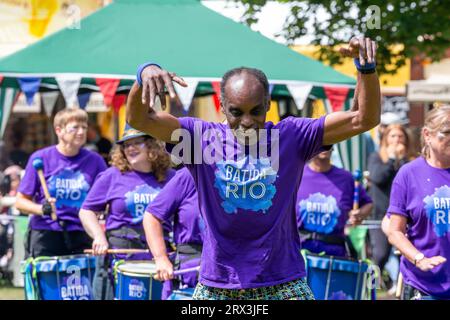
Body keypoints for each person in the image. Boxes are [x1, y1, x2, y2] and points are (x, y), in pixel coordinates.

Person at [126, 36, 380, 300]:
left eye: (256, 111)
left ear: (269, 104)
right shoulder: (199, 139)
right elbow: (138, 118)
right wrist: (144, 73)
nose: (247, 122)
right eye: (236, 112)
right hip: (218, 284)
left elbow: (365, 118)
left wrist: (366, 68)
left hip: (283, 282)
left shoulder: (291, 137)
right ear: (222, 106)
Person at [79, 124, 175, 299]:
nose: (130, 148)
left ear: (152, 145)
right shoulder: (112, 176)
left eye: (137, 143)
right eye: (126, 145)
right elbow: (86, 211)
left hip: (159, 259)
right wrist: (98, 236)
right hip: (119, 258)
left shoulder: (172, 177)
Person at [15, 108, 107, 258]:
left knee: (80, 281)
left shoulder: (95, 161)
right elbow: (20, 202)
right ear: (59, 130)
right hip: (47, 231)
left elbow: (105, 197)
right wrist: (42, 209)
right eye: (75, 127)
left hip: (82, 231)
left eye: (84, 127)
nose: (81, 132)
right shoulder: (41, 158)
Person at [385, 105, 450, 300]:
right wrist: (419, 259)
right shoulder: (409, 174)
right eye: (446, 132)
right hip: (423, 286)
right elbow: (395, 231)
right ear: (427, 135)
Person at [297, 149, 373, 257]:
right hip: (299, 253)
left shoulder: (346, 178)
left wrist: (359, 214)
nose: (324, 147)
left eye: (328, 143)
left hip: (335, 256)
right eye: (320, 142)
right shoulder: (297, 175)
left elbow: (368, 203)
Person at [144, 166, 204, 299]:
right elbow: (152, 216)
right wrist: (161, 258)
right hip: (190, 273)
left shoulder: (251, 175)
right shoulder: (190, 174)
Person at [367, 124, 414, 289]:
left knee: (406, 252)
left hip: (403, 216)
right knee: (380, 254)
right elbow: (377, 178)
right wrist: (392, 160)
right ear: (385, 139)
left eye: (400, 136)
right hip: (381, 215)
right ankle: (371, 287)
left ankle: (403, 286)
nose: (396, 140)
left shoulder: (408, 164)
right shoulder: (376, 158)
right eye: (393, 136)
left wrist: (400, 161)